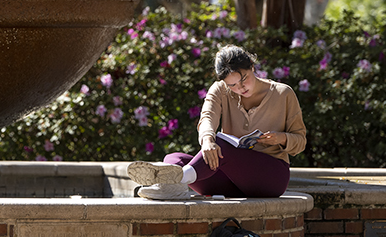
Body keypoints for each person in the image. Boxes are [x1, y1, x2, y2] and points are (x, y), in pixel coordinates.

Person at [127, 44, 306, 200]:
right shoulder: (220, 90)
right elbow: (207, 117)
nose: (240, 88)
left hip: (270, 179)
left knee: (222, 146)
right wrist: (207, 141)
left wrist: (280, 138)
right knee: (174, 159)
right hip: (231, 183)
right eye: (232, 85)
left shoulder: (283, 94)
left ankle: (172, 182)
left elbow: (300, 141)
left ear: (252, 66)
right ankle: (175, 181)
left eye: (243, 79)